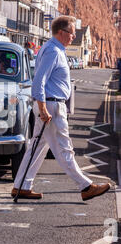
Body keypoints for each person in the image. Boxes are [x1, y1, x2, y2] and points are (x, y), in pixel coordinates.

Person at [11, 15, 111, 202]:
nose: (73, 37)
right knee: (65, 149)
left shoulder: (54, 49)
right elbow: (38, 81)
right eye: (71, 33)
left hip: (50, 103)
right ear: (61, 32)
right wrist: (42, 108)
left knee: (37, 147)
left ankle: (21, 186)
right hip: (51, 105)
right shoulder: (53, 52)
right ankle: (85, 186)